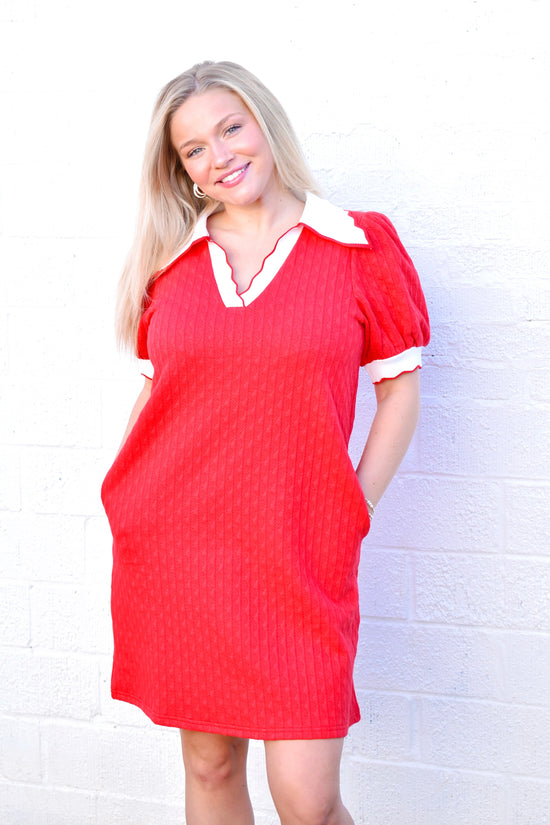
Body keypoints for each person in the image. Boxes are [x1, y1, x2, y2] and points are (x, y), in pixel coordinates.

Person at [101, 60, 430, 825]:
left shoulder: (356, 247)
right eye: (193, 149)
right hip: (179, 549)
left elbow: (398, 390)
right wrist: (124, 497)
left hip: (297, 553)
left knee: (306, 799)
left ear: (264, 125)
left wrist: (355, 503)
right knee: (210, 762)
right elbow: (159, 394)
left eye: (229, 128)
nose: (219, 155)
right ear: (181, 172)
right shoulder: (172, 269)